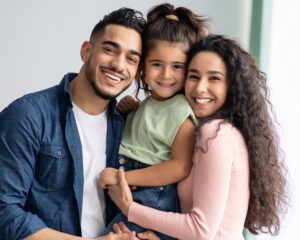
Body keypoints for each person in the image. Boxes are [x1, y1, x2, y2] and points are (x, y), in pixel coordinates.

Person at [107, 34, 288, 240]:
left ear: (232, 86)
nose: (200, 88)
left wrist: (130, 208)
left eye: (214, 78)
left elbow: (201, 230)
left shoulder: (216, 134)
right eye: (193, 76)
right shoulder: (216, 131)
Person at [0, 7, 146, 240]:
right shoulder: (28, 115)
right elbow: (4, 213)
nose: (119, 65)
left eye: (131, 59)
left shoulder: (129, 125)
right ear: (86, 51)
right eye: (110, 50)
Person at [99, 3, 208, 239]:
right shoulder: (148, 104)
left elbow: (180, 165)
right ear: (143, 66)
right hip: (136, 192)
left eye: (177, 67)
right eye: (157, 64)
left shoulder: (181, 109)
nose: (166, 74)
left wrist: (124, 178)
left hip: (152, 199)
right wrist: (129, 111)